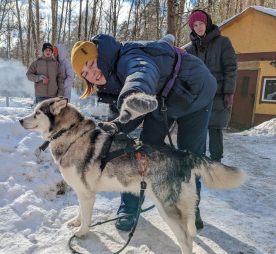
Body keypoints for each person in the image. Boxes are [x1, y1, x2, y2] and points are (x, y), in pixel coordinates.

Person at [70, 34, 218, 231]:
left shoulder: (128, 55)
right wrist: (117, 125)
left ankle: (190, 210)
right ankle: (129, 209)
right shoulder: (107, 86)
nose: (92, 72)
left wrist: (133, 96)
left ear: (102, 56)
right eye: (85, 72)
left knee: (190, 156)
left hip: (197, 95)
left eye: (92, 62)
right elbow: (129, 116)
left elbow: (141, 71)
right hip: (161, 102)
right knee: (142, 155)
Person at [186, 11, 237, 227]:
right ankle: (202, 165)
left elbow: (231, 67)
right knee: (197, 134)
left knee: (215, 129)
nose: (198, 27)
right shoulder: (189, 49)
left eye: (201, 23)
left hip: (217, 94)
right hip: (198, 98)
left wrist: (229, 92)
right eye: (195, 24)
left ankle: (216, 165)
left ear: (207, 23)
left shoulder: (223, 42)